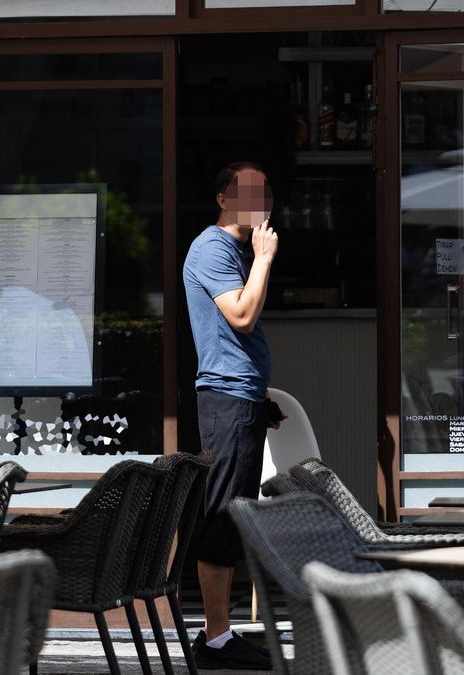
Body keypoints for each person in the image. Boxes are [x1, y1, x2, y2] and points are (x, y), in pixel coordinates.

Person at [182, 161, 279, 671]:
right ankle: (215, 639)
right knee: (222, 513)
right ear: (223, 199)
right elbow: (240, 315)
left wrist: (261, 398)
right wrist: (263, 259)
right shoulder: (213, 248)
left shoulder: (232, 251)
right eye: (246, 192)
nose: (258, 200)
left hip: (240, 395)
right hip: (226, 396)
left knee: (233, 509)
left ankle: (219, 634)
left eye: (264, 192)